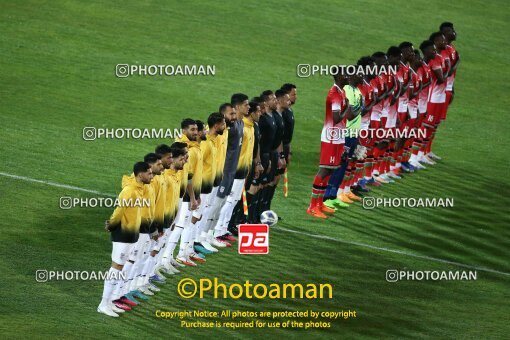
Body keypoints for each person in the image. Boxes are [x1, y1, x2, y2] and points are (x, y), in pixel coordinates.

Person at [97, 161, 152, 317]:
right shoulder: (129, 191)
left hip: (131, 234)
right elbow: (118, 211)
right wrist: (112, 225)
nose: (151, 176)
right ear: (140, 174)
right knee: (116, 268)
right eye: (149, 173)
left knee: (120, 269)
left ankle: (109, 302)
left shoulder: (141, 190)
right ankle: (103, 304)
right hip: (122, 234)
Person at [307, 71, 350, 218]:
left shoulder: (342, 92)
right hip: (331, 137)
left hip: (338, 136)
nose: (348, 77)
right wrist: (347, 108)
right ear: (338, 77)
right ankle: (312, 206)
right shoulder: (334, 94)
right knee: (324, 170)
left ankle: (320, 203)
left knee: (331, 170)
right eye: (345, 75)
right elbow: (337, 118)